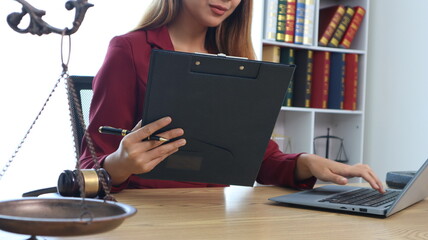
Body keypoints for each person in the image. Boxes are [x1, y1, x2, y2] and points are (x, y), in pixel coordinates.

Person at [80, 0, 384, 193]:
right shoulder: (129, 49)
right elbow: (87, 167)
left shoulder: (237, 59)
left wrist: (307, 162)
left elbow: (257, 160)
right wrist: (121, 162)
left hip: (217, 216)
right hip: (149, 214)